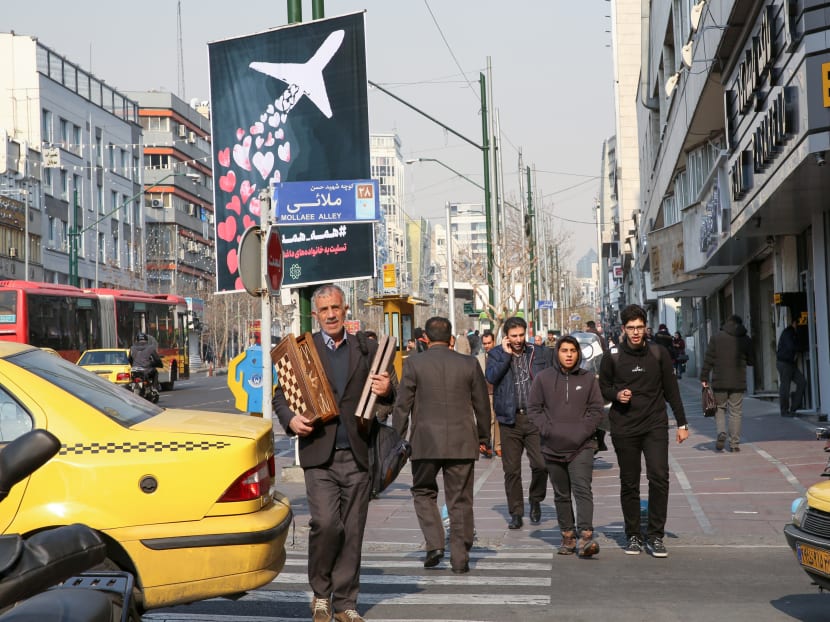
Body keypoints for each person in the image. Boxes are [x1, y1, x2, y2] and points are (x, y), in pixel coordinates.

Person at [272, 283, 394, 622]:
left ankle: (345, 604)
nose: (330, 315)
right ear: (316, 314)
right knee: (326, 525)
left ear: (345, 310)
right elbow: (280, 397)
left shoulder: (365, 347)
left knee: (352, 531)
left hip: (357, 453)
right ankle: (320, 593)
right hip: (319, 455)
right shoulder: (303, 351)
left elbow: (389, 390)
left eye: (335, 308)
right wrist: (290, 419)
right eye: (324, 310)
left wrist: (387, 389)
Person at [392, 316, 490, 575]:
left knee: (423, 492)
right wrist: (483, 438)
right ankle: (460, 558)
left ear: (425, 338)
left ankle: (435, 544)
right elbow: (482, 404)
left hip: (424, 442)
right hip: (461, 442)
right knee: (460, 500)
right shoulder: (469, 364)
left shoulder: (413, 364)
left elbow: (402, 406)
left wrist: (397, 438)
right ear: (450, 339)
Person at [599, 304, 689, 558]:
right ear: (624, 329)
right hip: (624, 427)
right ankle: (633, 535)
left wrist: (682, 424)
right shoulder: (613, 356)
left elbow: (672, 390)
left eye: (640, 327)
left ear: (645, 327)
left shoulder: (658, 353)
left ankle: (656, 535)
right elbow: (603, 387)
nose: (636, 332)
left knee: (659, 477)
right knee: (629, 482)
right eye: (631, 328)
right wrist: (617, 394)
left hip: (654, 425)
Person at [528, 335, 605, 557]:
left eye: (573, 350)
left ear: (578, 353)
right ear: (557, 353)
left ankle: (586, 537)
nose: (569, 354)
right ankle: (568, 536)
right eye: (564, 350)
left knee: (582, 489)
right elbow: (534, 409)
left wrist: (582, 432)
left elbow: (596, 410)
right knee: (561, 493)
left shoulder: (588, 379)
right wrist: (548, 430)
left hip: (582, 446)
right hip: (552, 446)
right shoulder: (543, 378)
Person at [485, 316, 551, 529]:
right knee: (511, 470)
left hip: (534, 419)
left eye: (521, 335)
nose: (518, 339)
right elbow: (492, 378)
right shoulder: (495, 354)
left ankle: (535, 499)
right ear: (506, 337)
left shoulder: (538, 352)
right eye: (514, 336)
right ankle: (515, 512)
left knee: (541, 465)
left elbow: (550, 378)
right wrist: (505, 355)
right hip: (509, 420)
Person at [700, 314, 755, 453]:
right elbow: (751, 361)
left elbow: (709, 359)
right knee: (735, 412)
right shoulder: (746, 339)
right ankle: (734, 444)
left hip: (720, 381)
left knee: (719, 409)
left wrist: (704, 377)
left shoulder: (716, 338)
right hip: (738, 382)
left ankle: (721, 432)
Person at [777, 318, 806, 417]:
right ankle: (784, 411)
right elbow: (791, 346)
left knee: (802, 381)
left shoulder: (793, 333)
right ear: (794, 323)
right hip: (784, 363)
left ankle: (794, 408)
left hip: (790, 363)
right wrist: (802, 347)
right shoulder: (788, 333)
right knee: (785, 386)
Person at [478, 330, 500, 458]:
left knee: (498, 420)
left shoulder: (500, 356)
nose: (487, 346)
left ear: (494, 341)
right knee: (489, 419)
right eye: (484, 343)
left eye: (489, 343)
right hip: (485, 394)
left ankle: (498, 446)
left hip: (498, 392)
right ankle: (488, 446)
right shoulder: (479, 359)